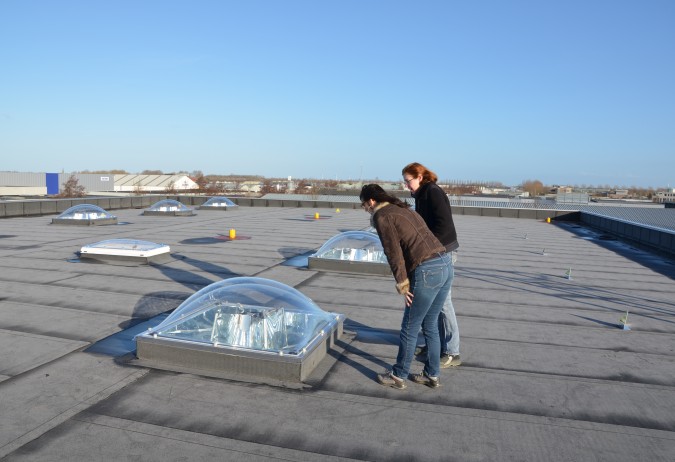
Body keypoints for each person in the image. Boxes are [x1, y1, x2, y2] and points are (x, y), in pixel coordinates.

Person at [360, 184, 453, 390]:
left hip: (427, 270)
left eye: (364, 204)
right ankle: (432, 374)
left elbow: (393, 253)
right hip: (445, 264)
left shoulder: (382, 215)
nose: (365, 208)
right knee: (430, 324)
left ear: (371, 201)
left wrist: (403, 285)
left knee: (409, 327)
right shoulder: (402, 208)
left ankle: (398, 375)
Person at [402, 162, 462, 367]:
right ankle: (434, 343)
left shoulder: (432, 192)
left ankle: (452, 351)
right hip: (435, 252)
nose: (406, 185)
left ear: (419, 176)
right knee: (433, 303)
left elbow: (443, 225)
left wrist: (429, 248)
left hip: (442, 253)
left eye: (408, 181)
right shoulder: (421, 195)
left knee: (444, 303)